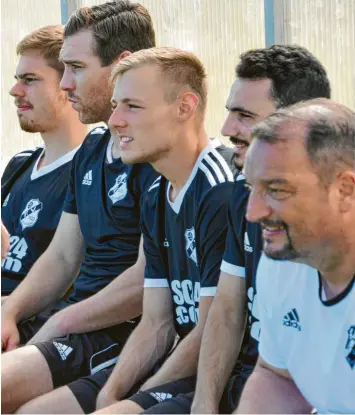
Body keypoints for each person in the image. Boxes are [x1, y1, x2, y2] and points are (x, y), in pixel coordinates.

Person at [1, 1, 157, 413]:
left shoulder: (158, 155)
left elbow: (147, 282)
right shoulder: (92, 148)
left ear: (122, 65)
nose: (66, 83)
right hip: (71, 326)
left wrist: (58, 324)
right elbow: (64, 255)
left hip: (114, 332)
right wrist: (10, 311)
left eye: (77, 68)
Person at [88, 46, 235, 414]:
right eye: (115, 105)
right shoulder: (155, 192)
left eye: (132, 107)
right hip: (181, 368)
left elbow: (210, 330)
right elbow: (156, 322)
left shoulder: (218, 190)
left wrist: (138, 400)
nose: (114, 120)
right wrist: (110, 394)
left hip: (222, 379)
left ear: (184, 107)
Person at [236, 98, 355, 414]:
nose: (253, 213)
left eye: (276, 190)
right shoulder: (284, 260)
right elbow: (279, 376)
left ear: (345, 190)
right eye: (252, 188)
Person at [1, 25, 87, 297]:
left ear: (66, 86)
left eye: (29, 79)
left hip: (32, 328)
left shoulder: (94, 171)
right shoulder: (20, 165)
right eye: (17, 79)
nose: (15, 90)